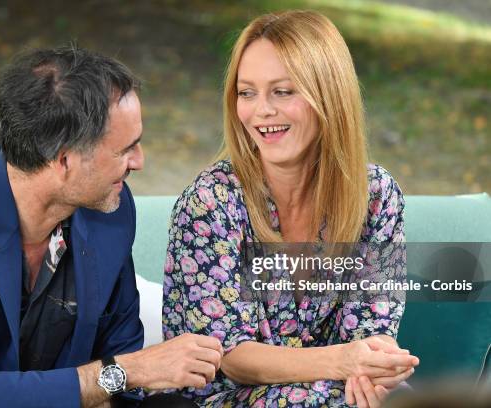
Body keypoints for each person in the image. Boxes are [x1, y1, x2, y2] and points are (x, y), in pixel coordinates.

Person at [0, 46, 222, 408]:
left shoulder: (111, 209)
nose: (140, 161)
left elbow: (122, 356)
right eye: (125, 149)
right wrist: (122, 372)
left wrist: (122, 377)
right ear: (64, 160)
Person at [163, 11, 419, 408]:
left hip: (336, 394)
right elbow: (231, 357)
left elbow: (372, 331)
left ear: (328, 94)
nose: (260, 110)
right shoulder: (211, 201)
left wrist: (378, 367)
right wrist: (343, 363)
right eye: (246, 92)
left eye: (282, 91)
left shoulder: (377, 196)